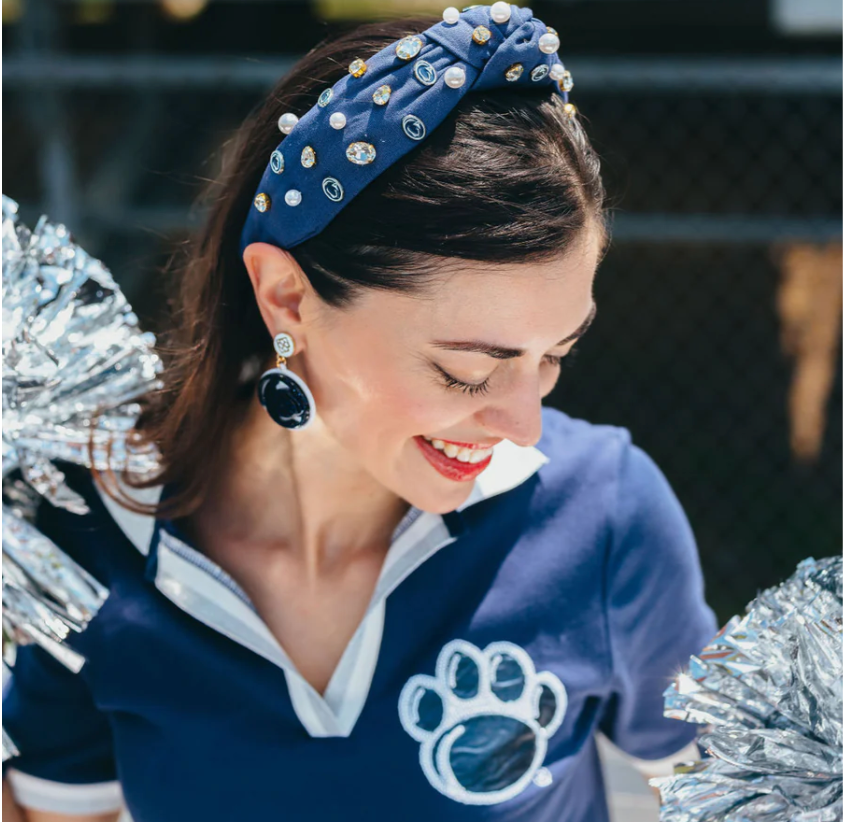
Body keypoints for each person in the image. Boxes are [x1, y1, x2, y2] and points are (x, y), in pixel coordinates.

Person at [2, 5, 719, 821]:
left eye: (555, 355)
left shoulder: (604, 517)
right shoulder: (90, 532)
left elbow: (730, 795)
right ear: (286, 297)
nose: (525, 423)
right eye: (465, 371)